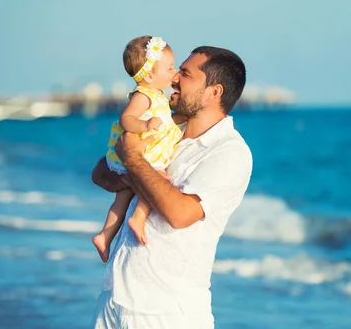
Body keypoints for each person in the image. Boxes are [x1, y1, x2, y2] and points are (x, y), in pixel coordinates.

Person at [91, 46, 252, 329]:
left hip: (166, 312)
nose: (175, 77)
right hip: (114, 300)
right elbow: (101, 173)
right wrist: (132, 171)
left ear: (214, 92)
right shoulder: (165, 125)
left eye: (186, 74)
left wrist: (133, 159)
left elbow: (179, 214)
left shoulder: (229, 152)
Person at [93, 35, 185, 262]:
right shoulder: (144, 96)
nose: (174, 72)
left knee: (121, 199)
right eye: (170, 67)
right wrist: (144, 125)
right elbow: (126, 119)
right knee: (155, 183)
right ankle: (139, 217)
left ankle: (105, 236)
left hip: (142, 152)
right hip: (142, 151)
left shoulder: (157, 95)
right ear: (150, 75)